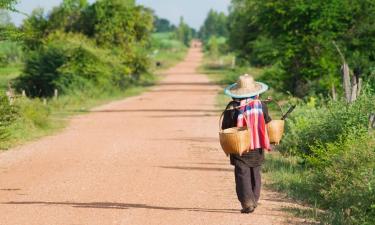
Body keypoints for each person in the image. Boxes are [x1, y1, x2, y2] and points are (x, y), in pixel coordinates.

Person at [221, 74, 272, 214]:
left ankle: (247, 202)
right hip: (257, 144)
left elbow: (226, 127)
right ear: (255, 91)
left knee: (242, 173)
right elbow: (267, 121)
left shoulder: (232, 108)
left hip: (239, 145)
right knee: (255, 171)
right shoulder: (261, 105)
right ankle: (254, 199)